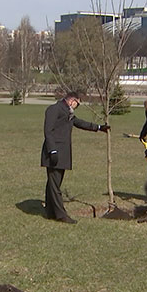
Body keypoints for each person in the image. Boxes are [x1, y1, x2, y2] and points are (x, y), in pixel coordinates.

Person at [41, 92, 109, 224]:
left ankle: (50, 211)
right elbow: (48, 131)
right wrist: (52, 150)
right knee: (55, 184)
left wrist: (99, 128)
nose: (77, 106)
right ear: (72, 100)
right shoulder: (54, 109)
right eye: (77, 103)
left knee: (54, 183)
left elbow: (78, 122)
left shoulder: (67, 111)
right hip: (54, 153)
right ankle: (61, 215)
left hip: (63, 152)